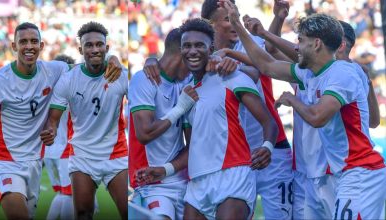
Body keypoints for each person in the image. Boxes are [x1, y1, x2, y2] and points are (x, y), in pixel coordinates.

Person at [222, 1, 386, 218]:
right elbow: (267, 65)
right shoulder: (310, 74)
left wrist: (293, 99)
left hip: (359, 172)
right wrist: (239, 27)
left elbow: (318, 117)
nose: (296, 46)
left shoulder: (344, 73)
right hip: (335, 172)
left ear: (317, 44)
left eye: (300, 41)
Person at [178, 18, 278, 220]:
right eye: (187, 46)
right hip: (197, 183)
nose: (192, 51)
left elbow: (269, 122)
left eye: (199, 45)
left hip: (233, 176)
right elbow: (192, 146)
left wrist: (267, 146)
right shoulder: (186, 93)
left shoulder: (232, 76)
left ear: (211, 48)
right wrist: (164, 170)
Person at [202, 1, 294, 218]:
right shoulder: (199, 51)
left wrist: (232, 59)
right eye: (227, 19)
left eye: (236, 16)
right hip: (235, 158)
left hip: (273, 149)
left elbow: (258, 69)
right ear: (210, 23)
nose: (234, 22)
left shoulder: (249, 41)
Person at [40, 21, 128, 220]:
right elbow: (53, 118)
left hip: (116, 154)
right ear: (81, 49)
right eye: (89, 45)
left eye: (99, 44)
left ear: (107, 47)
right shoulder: (69, 79)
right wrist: (51, 131)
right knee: (82, 213)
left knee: (127, 212)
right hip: (82, 156)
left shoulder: (120, 75)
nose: (95, 49)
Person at [128, 28, 197, 220]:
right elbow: (144, 134)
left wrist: (167, 169)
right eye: (191, 57)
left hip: (182, 180)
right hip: (150, 183)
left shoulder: (185, 84)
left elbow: (194, 145)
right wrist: (179, 109)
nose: (195, 64)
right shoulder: (143, 80)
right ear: (182, 55)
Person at [44, 54, 75, 220]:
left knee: (62, 193)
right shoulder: (69, 91)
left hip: (48, 151)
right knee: (68, 195)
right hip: (65, 150)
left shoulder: (45, 91)